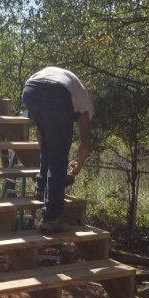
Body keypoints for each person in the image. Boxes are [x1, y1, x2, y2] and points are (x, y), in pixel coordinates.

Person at [22, 66, 93, 232]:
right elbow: (86, 141)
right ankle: (52, 218)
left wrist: (47, 147)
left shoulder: (72, 85)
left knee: (49, 145)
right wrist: (79, 166)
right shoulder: (85, 104)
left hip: (30, 89)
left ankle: (41, 189)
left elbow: (40, 134)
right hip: (55, 93)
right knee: (59, 156)